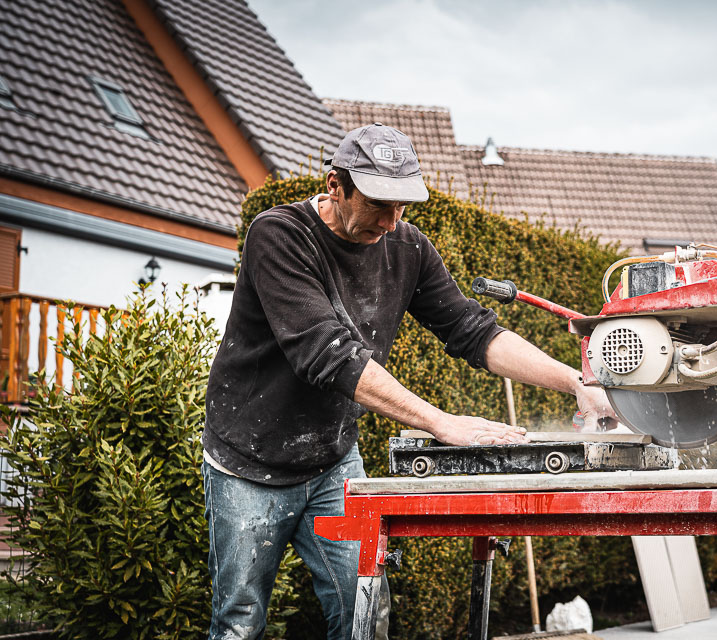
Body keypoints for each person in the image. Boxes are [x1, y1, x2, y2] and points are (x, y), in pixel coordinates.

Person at [201, 123, 617, 640]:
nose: (393, 220)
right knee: (239, 623)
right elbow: (328, 355)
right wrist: (441, 422)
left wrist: (576, 381)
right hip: (248, 459)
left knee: (364, 613)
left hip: (332, 461)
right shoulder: (279, 236)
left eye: (403, 205)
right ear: (336, 185)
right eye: (380, 202)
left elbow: (471, 329)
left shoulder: (406, 247)